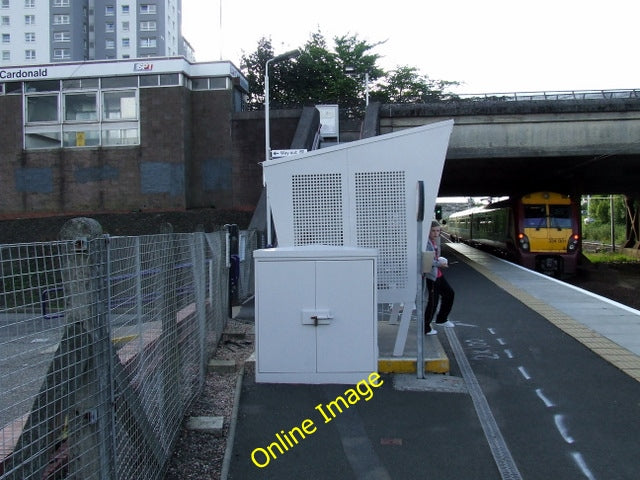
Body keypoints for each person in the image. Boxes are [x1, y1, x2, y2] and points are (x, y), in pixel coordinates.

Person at [424, 220, 455, 335]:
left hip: (437, 274)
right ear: (428, 231)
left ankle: (442, 319)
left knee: (449, 294)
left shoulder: (433, 241)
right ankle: (426, 327)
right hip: (431, 276)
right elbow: (427, 260)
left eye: (438, 231)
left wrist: (439, 261)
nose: (436, 233)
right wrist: (439, 263)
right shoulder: (426, 242)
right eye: (433, 231)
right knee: (433, 302)